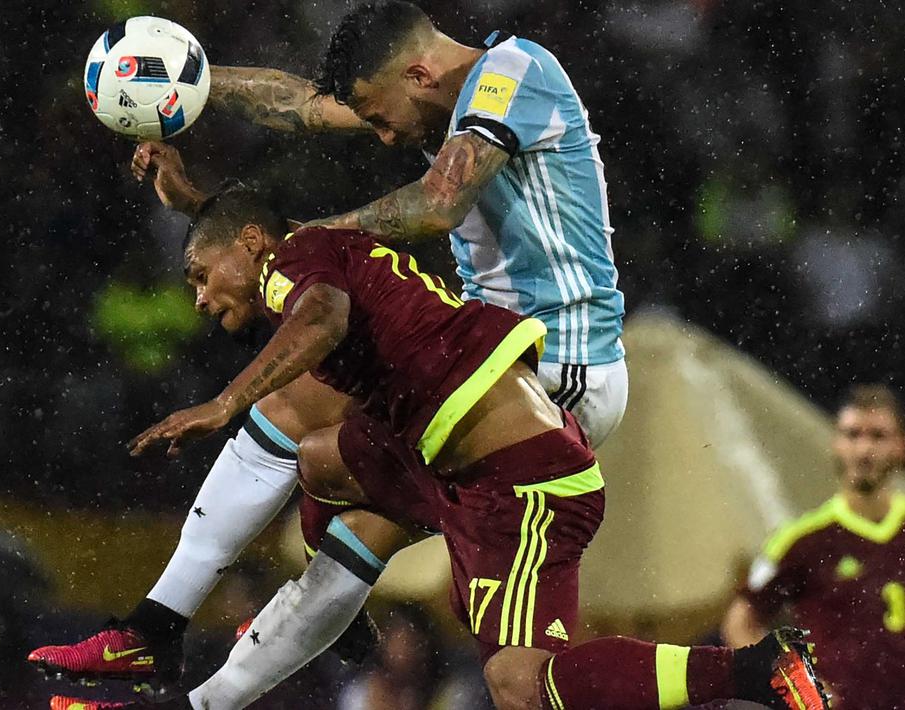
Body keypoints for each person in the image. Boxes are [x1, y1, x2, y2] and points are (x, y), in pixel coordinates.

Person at [31, 0, 628, 692]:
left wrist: (293, 249)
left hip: (553, 376)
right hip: (483, 365)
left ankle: (153, 636)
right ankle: (174, 663)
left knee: (299, 415)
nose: (379, 138)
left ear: (419, 72)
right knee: (345, 516)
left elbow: (437, 204)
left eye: (379, 116)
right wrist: (183, 80)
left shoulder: (510, 73)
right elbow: (298, 106)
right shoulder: (440, 104)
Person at [50, 185, 826, 710]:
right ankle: (317, 615)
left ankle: (756, 671)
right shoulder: (313, 248)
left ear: (252, 247)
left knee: (518, 684)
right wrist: (189, 196)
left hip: (518, 490)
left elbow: (315, 312)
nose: (197, 295)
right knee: (319, 459)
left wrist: (224, 402)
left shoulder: (295, 275)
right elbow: (248, 230)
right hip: (457, 470)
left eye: (199, 274)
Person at [721, 384, 905, 709]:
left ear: (901, 446)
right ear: (836, 443)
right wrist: (795, 683)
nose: (863, 449)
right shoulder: (803, 540)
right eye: (852, 434)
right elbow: (740, 622)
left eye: (877, 436)